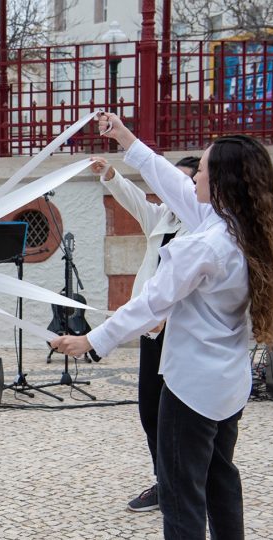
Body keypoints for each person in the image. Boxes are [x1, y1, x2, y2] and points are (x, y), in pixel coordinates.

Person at [52, 113, 273, 540]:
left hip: (190, 387)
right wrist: (129, 143)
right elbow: (169, 181)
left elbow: (150, 303)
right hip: (225, 384)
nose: (193, 178)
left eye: (202, 171)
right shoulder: (236, 227)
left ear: (221, 186)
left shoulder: (203, 245)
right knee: (220, 481)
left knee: (183, 494)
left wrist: (91, 342)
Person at [91, 155, 199, 513]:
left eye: (181, 182)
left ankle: (187, 483)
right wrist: (110, 174)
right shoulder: (164, 217)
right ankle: (164, 481)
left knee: (181, 411)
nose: (171, 190)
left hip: (181, 331)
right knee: (150, 408)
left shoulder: (202, 228)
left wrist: (167, 317)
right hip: (150, 329)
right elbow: (136, 200)